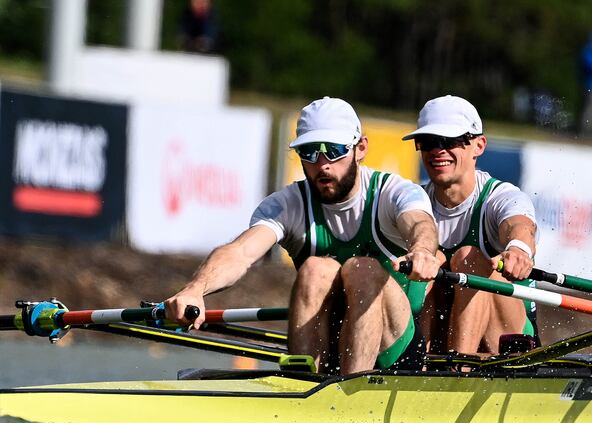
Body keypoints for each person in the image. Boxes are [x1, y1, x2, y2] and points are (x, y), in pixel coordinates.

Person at [165, 97, 440, 374]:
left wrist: (423, 252)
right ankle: (304, 384)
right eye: (309, 152)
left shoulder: (393, 192)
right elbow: (240, 252)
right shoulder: (286, 205)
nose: (322, 165)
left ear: (361, 148)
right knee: (315, 269)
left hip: (396, 349)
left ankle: (353, 389)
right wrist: (195, 289)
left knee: (363, 268)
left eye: (334, 151)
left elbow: (420, 225)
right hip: (330, 347)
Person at [402, 95, 539, 356]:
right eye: (429, 142)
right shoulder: (411, 205)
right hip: (436, 341)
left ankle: (459, 366)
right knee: (434, 259)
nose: (437, 150)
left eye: (449, 141)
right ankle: (418, 364)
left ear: (478, 145)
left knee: (469, 258)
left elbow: (520, 224)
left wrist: (519, 249)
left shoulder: (500, 197)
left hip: (506, 341)